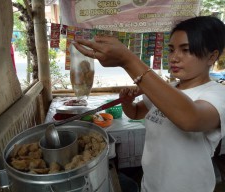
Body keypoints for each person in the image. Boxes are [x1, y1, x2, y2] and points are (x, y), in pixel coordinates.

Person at [73, 16, 225, 192]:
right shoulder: (168, 88)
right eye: (171, 50)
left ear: (211, 56)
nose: (174, 58)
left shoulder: (217, 94)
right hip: (151, 184)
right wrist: (128, 102)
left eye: (186, 50)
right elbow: (136, 113)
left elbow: (190, 119)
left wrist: (128, 60)